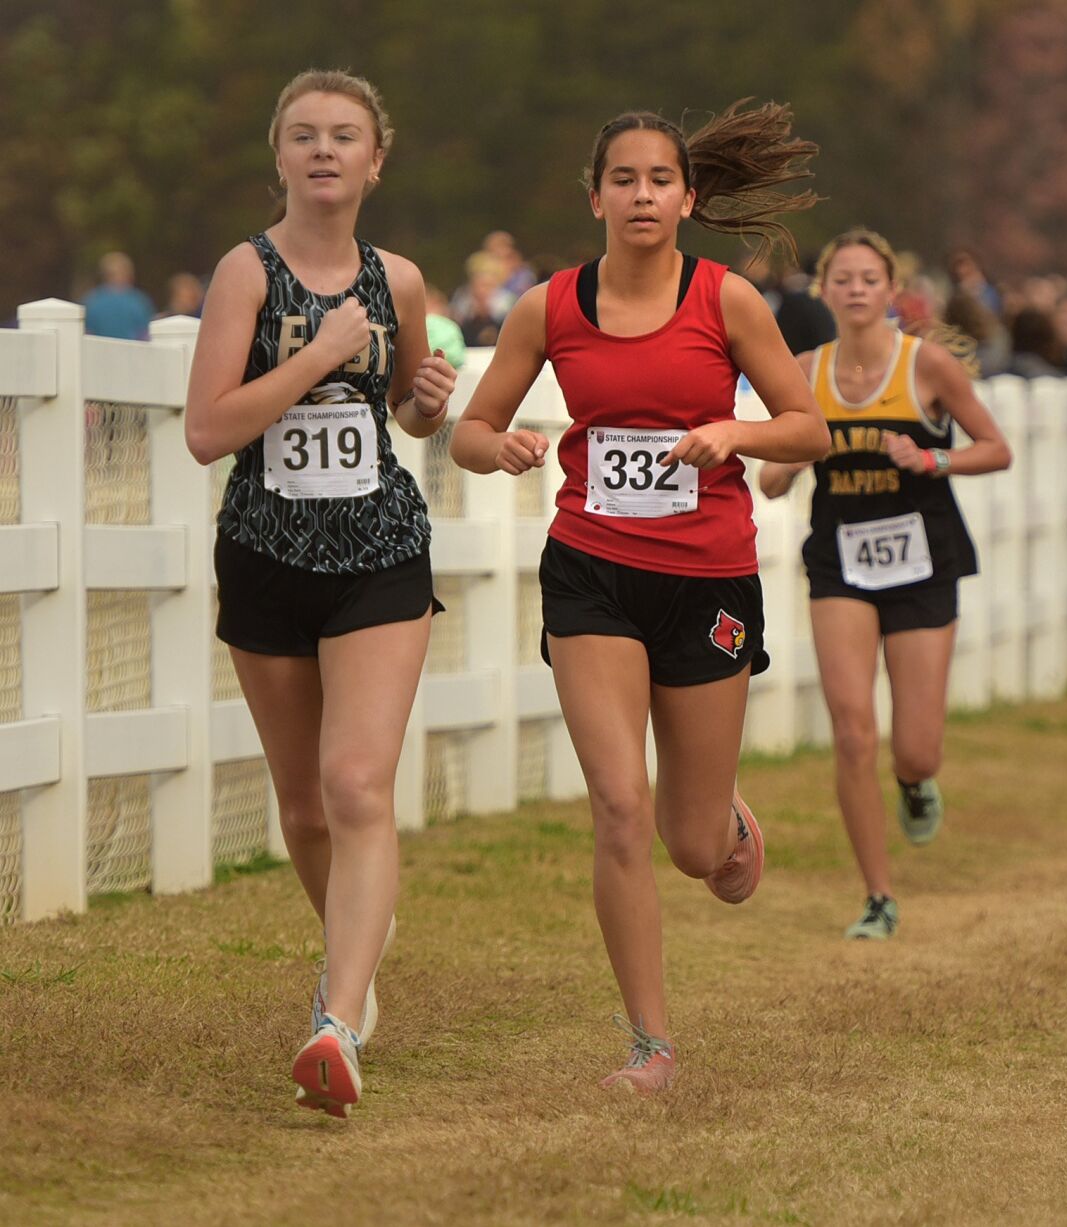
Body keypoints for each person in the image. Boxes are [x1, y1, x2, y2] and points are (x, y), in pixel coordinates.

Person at [449, 103, 829, 1093]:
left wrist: (733, 436)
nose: (643, 195)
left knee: (692, 845)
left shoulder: (726, 300)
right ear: (597, 197)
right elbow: (469, 431)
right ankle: (651, 1044)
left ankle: (726, 821)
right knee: (619, 808)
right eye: (624, 179)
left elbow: (807, 428)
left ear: (688, 197)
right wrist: (505, 448)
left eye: (660, 179)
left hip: (707, 580)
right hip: (592, 570)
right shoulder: (549, 307)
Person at [183, 70, 456, 1117]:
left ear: (376, 160)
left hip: (380, 551)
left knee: (356, 785)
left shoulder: (404, 280)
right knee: (303, 804)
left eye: (345, 136)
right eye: (304, 135)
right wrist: (321, 355)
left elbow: (405, 414)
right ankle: (355, 961)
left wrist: (423, 400)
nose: (324, 150)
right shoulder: (245, 274)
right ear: (280, 157)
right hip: (265, 553)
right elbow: (209, 428)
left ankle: (336, 1022)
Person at [759, 228, 1011, 941]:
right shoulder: (804, 370)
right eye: (843, 278)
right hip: (840, 560)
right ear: (825, 290)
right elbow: (771, 474)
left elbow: (997, 448)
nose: (857, 289)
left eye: (869, 278)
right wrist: (782, 464)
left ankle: (914, 780)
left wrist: (932, 461)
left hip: (922, 560)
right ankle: (877, 895)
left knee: (915, 747)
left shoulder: (927, 366)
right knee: (850, 731)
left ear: (890, 288)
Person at [83, 252, 155, 340]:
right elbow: (146, 334)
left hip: (99, 352)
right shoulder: (139, 301)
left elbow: (86, 333)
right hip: (132, 352)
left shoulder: (91, 300)